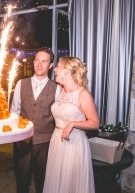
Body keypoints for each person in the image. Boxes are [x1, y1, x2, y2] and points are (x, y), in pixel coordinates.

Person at [42, 56, 99, 193]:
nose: (54, 69)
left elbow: (95, 123)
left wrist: (73, 123)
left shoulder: (83, 94)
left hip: (74, 144)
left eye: (58, 67)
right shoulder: (59, 90)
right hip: (56, 141)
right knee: (56, 181)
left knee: (71, 183)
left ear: (67, 71)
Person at [10, 47, 60, 193]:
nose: (39, 64)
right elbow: (14, 112)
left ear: (50, 65)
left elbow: (58, 117)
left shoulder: (56, 88)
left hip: (45, 143)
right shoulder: (21, 83)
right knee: (22, 182)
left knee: (43, 183)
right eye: (37, 60)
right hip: (22, 143)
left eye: (44, 61)